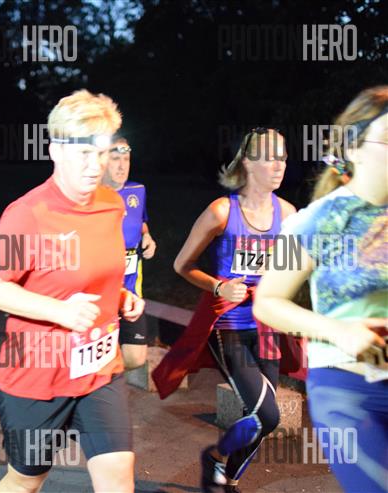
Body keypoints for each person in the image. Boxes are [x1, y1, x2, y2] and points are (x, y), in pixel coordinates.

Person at [0, 90, 144, 493]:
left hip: (99, 369)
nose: (95, 165)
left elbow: (96, 272)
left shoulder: (112, 204)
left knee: (119, 474)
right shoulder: (28, 214)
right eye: (83, 153)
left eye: (101, 153)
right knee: (26, 481)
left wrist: (119, 297)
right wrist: (60, 311)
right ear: (55, 151)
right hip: (37, 377)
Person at [152, 128, 304, 493]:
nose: (278, 166)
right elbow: (182, 265)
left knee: (260, 417)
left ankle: (227, 476)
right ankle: (218, 458)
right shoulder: (221, 212)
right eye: (269, 157)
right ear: (248, 163)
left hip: (266, 326)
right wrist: (219, 286)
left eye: (283, 157)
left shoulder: (288, 213)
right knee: (267, 414)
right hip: (229, 324)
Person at [254, 86, 388, 493]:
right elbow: (267, 302)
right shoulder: (315, 221)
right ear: (355, 148)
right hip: (349, 390)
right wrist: (340, 331)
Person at [102, 136, 156, 369]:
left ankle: (104, 378)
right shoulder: (91, 195)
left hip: (131, 290)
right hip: (100, 291)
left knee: (135, 358)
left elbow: (140, 221)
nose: (122, 166)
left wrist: (147, 236)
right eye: (115, 159)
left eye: (126, 159)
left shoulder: (138, 190)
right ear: (102, 160)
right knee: (99, 355)